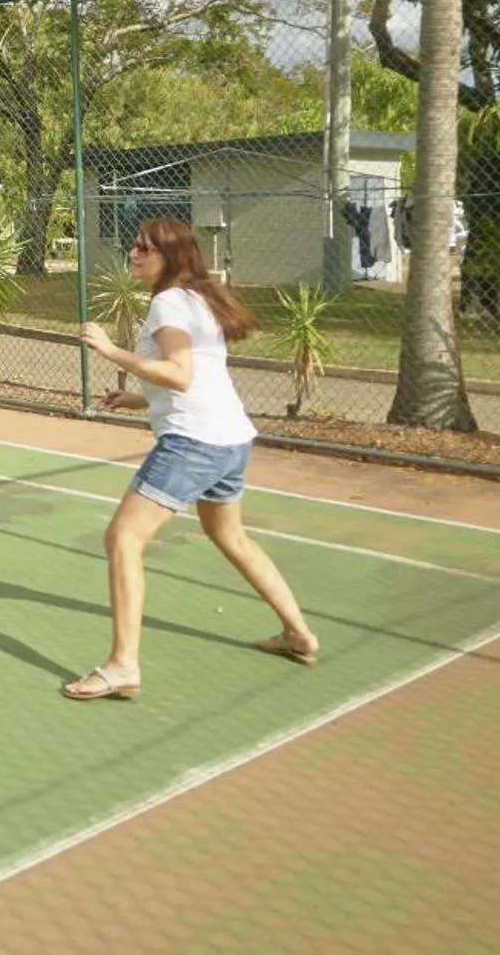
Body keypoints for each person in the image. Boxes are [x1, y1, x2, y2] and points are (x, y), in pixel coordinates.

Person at [63, 217, 319, 700]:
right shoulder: (198, 298)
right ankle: (298, 634)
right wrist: (141, 400)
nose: (134, 253)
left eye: (145, 248)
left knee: (122, 538)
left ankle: (122, 666)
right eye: (134, 245)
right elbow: (199, 375)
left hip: (194, 443)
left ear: (172, 256)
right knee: (231, 537)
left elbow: (180, 375)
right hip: (231, 440)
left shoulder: (168, 304)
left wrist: (111, 350)